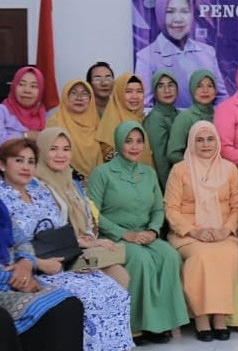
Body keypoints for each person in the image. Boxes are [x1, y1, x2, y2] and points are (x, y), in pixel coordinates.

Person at [0, 138, 133, 351]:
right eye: (19, 160)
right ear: (3, 164)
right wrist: (37, 263)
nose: (26, 167)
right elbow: (14, 247)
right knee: (85, 298)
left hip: (59, 262)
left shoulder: (40, 191)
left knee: (110, 289)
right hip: (34, 270)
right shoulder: (3, 198)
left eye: (31, 161)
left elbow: (59, 231)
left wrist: (78, 250)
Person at [87, 122, 189, 343]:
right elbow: (93, 212)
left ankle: (159, 324)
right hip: (113, 237)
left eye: (139, 141)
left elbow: (158, 209)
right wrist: (124, 234)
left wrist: (153, 231)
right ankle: (133, 325)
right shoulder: (102, 173)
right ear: (118, 143)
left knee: (170, 256)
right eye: (128, 141)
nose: (134, 146)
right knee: (141, 260)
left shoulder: (149, 173)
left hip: (145, 234)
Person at [164, 120, 238, 342]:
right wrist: (194, 231)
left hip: (223, 233)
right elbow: (171, 208)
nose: (206, 144)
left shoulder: (230, 169)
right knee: (201, 256)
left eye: (210, 139)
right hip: (188, 234)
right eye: (199, 140)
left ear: (217, 141)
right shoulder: (180, 170)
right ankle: (201, 318)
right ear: (191, 143)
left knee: (228, 254)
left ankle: (219, 317)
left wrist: (226, 230)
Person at [34, 127, 129, 288]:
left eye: (66, 149)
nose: (60, 155)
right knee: (101, 283)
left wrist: (89, 237)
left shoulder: (72, 184)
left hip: (80, 249)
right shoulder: (36, 187)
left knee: (120, 275)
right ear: (41, 151)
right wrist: (79, 242)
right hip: (56, 258)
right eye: (53, 149)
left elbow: (88, 217)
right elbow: (45, 234)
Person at [0, 198, 86, 351]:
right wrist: (17, 279)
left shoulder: (1, 209)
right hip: (6, 285)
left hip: (19, 276)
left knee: (69, 304)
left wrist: (26, 263)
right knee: (50, 311)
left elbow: (22, 241)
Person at [134, 0, 228, 109]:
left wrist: (209, 119)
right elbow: (144, 107)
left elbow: (221, 98)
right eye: (170, 11)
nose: (178, 19)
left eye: (184, 11)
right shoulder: (146, 57)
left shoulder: (207, 52)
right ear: (159, 14)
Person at [165, 70, 218, 177]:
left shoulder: (220, 116)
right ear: (192, 89)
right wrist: (195, 168)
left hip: (217, 175)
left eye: (210, 86)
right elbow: (173, 153)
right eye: (199, 86)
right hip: (192, 177)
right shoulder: (185, 118)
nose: (205, 90)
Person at [46, 80, 103, 177]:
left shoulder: (98, 124)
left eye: (84, 94)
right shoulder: (54, 124)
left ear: (91, 99)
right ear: (65, 97)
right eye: (73, 93)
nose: (79, 98)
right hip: (62, 179)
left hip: (95, 181)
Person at [95, 73, 152, 166]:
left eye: (139, 91)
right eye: (128, 91)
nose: (135, 96)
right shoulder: (111, 123)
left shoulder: (143, 119)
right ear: (119, 94)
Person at [144, 70, 179, 190]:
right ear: (154, 92)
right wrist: (171, 190)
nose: (167, 90)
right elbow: (161, 161)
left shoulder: (178, 114)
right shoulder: (155, 118)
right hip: (166, 186)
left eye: (171, 85)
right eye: (160, 86)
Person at [0, 66, 45, 142]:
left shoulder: (44, 114)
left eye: (33, 86)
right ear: (14, 86)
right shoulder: (2, 111)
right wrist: (25, 135)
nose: (27, 90)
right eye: (21, 84)